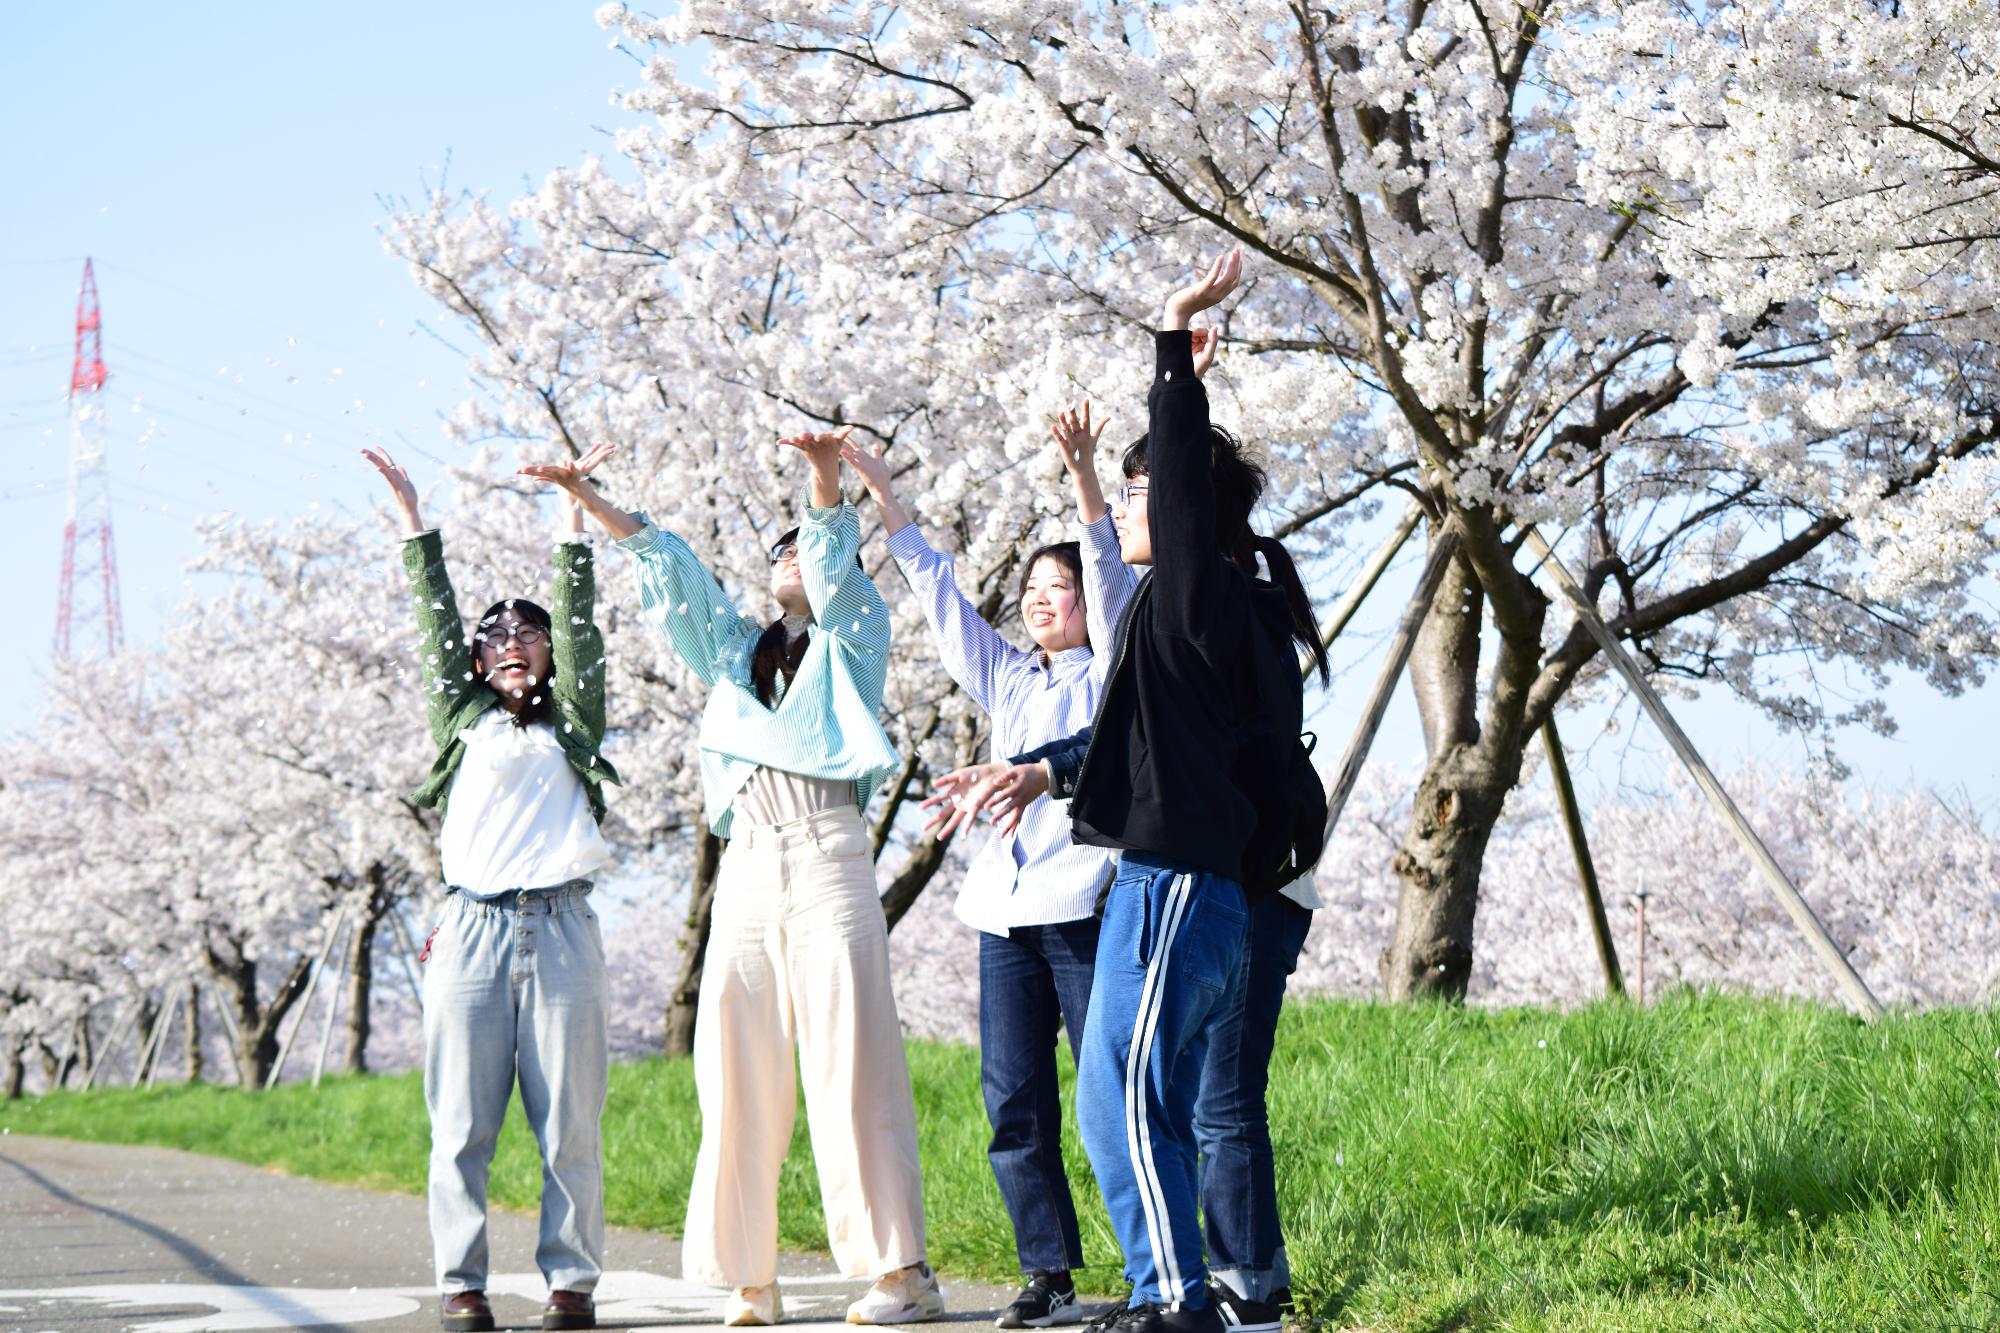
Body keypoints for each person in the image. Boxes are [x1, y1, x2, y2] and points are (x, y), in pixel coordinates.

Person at [928, 249, 1329, 1333]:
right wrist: (1035, 769)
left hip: (1182, 890)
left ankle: (1177, 1298)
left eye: (1149, 489)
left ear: (1194, 509)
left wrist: (1174, 345)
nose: (1131, 507)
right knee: (1124, 1105)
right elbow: (1127, 738)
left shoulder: (1208, 600)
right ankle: (1174, 1292)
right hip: (1159, 883)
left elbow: (1186, 507)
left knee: (1133, 1100)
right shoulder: (1170, 619)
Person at [521, 429, 941, 1328]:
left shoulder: (853, 638)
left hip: (828, 852)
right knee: (734, 1067)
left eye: (802, 545)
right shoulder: (732, 654)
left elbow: (831, 561)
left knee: (850, 1058)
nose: (791, 556)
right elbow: (671, 576)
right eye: (779, 549)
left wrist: (823, 479)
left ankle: (900, 1268)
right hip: (749, 861)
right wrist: (589, 502)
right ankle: (752, 1277)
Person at [841, 404, 1138, 1329]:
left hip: (1086, 904)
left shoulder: (1117, 669)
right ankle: (1047, 1271)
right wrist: (888, 501)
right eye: (1034, 588)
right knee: (1013, 1101)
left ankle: (1151, 1270)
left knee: (1111, 1094)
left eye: (1063, 587)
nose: (1044, 598)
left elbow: (1112, 571)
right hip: (1004, 916)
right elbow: (938, 597)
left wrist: (1086, 478)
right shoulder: (1010, 677)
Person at [364, 445, 621, 1333]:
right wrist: (414, 527)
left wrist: (574, 520)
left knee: (569, 1128)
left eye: (529, 635)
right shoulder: (462, 724)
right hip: (470, 932)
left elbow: (583, 626)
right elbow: (432, 621)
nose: (513, 643)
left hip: (562, 930)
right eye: (496, 638)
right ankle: (461, 1282)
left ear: (548, 657)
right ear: (477, 664)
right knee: (462, 1124)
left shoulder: (573, 725)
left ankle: (570, 1284)